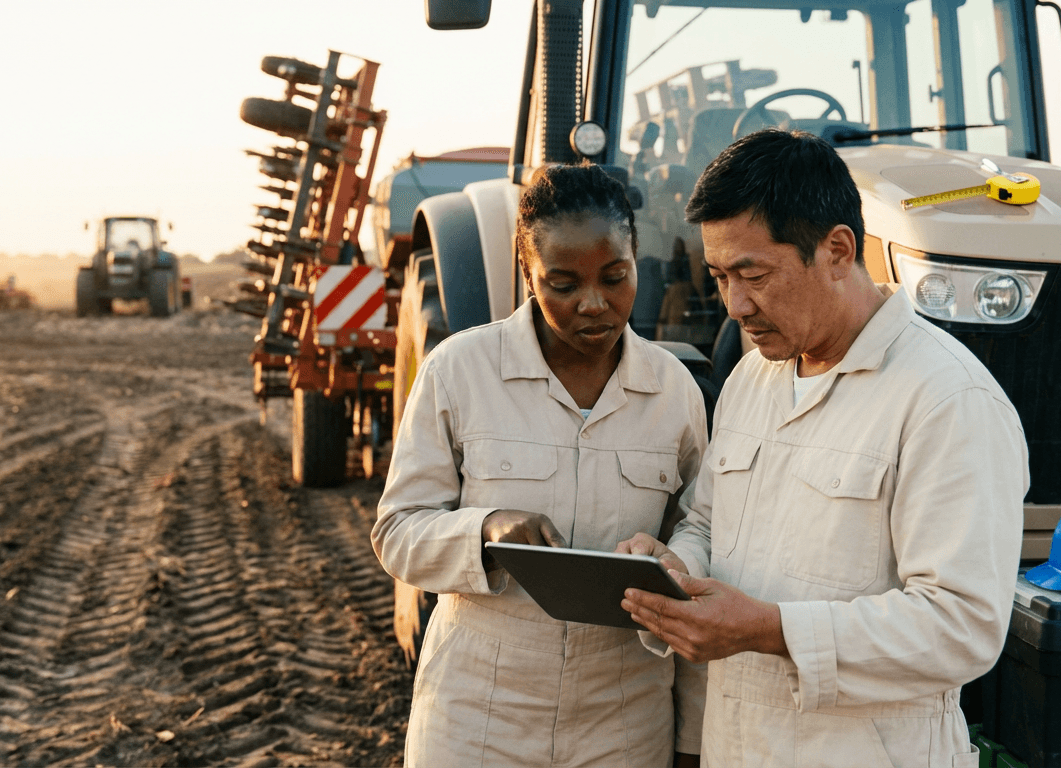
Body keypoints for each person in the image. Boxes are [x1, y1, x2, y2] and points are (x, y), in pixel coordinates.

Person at [619, 129, 1027, 767]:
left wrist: (772, 629)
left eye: (754, 274)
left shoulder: (948, 400)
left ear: (838, 249)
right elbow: (706, 520)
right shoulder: (754, 378)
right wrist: (675, 569)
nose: (735, 305)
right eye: (721, 276)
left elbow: (962, 627)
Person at [373, 163, 708, 767]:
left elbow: (703, 525)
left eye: (615, 278)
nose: (593, 304)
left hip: (624, 714)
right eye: (562, 283)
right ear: (528, 275)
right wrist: (485, 530)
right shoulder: (459, 371)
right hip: (480, 708)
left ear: (637, 262)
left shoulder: (674, 389)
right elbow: (397, 532)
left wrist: (675, 559)